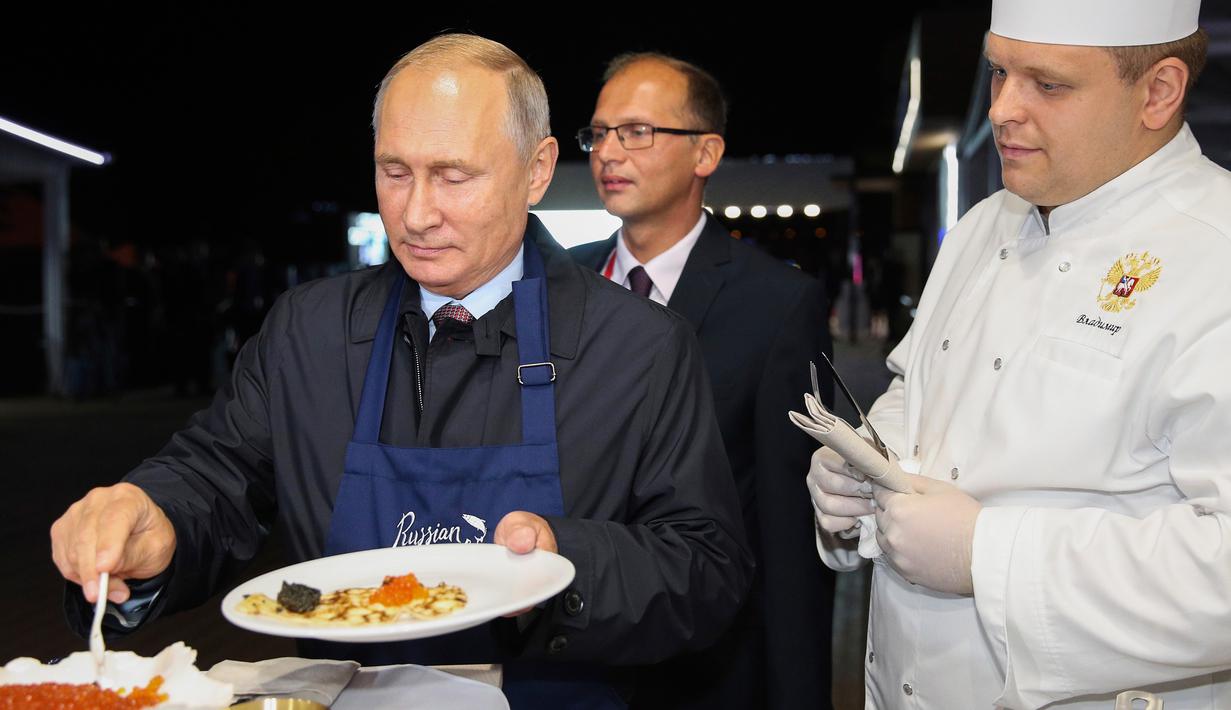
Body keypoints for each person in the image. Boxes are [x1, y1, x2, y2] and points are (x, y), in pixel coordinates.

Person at [49, 33, 752, 708]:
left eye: (454, 176)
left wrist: (566, 561)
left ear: (535, 170)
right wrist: (153, 518)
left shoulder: (639, 346)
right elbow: (215, 476)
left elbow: (705, 571)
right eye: (395, 172)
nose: (416, 214)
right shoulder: (309, 331)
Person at [809, 0, 1231, 707]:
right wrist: (862, 462)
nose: (1003, 108)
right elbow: (918, 381)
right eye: (999, 72)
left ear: (1156, 92)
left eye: (1049, 84)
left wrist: (989, 556)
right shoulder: (983, 225)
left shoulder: (1215, 253)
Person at [570, 53, 835, 710]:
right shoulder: (556, 288)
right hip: (565, 652)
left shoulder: (776, 304)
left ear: (705, 153)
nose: (608, 152)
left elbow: (787, 529)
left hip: (706, 664)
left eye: (636, 132)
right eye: (598, 133)